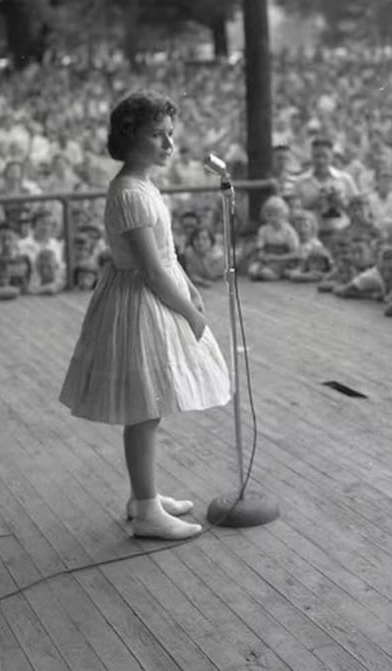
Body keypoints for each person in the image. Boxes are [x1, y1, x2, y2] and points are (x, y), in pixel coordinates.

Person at [59, 90, 230, 541]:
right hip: (140, 303)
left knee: (149, 408)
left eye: (170, 134)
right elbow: (151, 271)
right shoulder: (129, 194)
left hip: (154, 292)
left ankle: (143, 497)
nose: (169, 144)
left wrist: (190, 286)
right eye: (157, 135)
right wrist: (189, 314)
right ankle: (148, 509)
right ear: (129, 136)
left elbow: (165, 255)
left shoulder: (145, 186)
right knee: (145, 408)